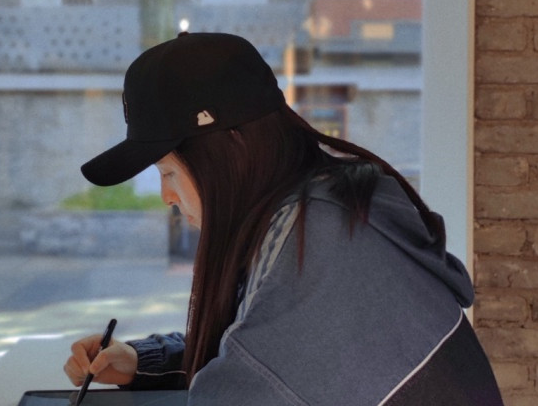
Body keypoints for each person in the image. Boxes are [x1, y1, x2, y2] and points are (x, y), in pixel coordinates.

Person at [64, 32, 504, 405]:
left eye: (169, 172)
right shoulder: (320, 208)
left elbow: (257, 381)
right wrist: (145, 361)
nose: (167, 196)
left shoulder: (319, 244)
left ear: (232, 149)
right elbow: (266, 351)